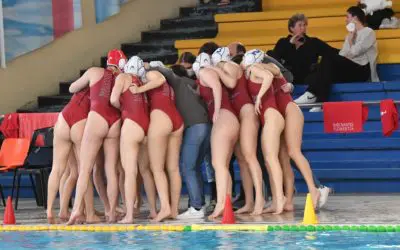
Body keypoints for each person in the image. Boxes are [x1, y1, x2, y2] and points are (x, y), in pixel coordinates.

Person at [67, 49, 126, 225]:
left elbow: (72, 88)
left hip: (97, 118)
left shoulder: (94, 71)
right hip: (115, 122)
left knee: (85, 168)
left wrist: (91, 86)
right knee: (111, 170)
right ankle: (111, 213)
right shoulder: (123, 78)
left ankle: (77, 210)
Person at [146, 61, 211, 219]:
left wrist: (148, 67)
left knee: (188, 167)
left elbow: (166, 73)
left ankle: (196, 207)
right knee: (194, 167)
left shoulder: (175, 81)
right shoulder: (187, 84)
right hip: (204, 125)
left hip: (194, 126)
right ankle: (197, 204)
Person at [128, 56, 184, 222]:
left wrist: (138, 90)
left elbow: (159, 79)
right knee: (172, 168)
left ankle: (166, 208)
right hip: (176, 121)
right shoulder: (165, 84)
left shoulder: (152, 74)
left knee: (157, 168)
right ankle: (173, 210)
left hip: (161, 118)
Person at [210, 47, 265, 215]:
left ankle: (260, 200)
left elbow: (232, 83)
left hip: (246, 110)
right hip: (237, 114)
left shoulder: (228, 65)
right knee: (241, 160)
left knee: (249, 156)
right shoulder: (224, 68)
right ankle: (248, 202)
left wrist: (215, 69)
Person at [295, 6, 378, 107]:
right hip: (350, 68)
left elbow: (355, 52)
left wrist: (351, 41)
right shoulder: (349, 36)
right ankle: (316, 99)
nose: (346, 20)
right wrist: (349, 43)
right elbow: (343, 54)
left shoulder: (368, 32)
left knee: (328, 58)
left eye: (347, 17)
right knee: (323, 65)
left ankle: (314, 97)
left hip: (362, 70)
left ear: (355, 18)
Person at [109, 56, 156, 223]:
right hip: (146, 126)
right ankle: (153, 211)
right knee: (146, 171)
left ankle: (129, 215)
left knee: (130, 172)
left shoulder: (122, 77)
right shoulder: (142, 84)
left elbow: (113, 99)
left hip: (131, 124)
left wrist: (122, 108)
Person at [193, 53, 240, 219]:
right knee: (223, 165)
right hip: (231, 119)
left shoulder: (206, 71)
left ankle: (220, 204)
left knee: (217, 164)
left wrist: (217, 110)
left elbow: (217, 88)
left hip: (224, 118)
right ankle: (226, 203)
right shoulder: (209, 74)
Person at [242, 49, 286, 214]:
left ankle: (280, 198)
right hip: (272, 118)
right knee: (269, 160)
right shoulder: (264, 68)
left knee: (271, 159)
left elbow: (268, 77)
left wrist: (259, 97)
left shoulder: (254, 67)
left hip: (272, 118)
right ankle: (276, 200)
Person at [46, 86, 100, 224]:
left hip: (64, 116)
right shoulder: (106, 87)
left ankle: (52, 210)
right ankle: (90, 214)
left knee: (58, 169)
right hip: (80, 120)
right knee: (84, 170)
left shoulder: (84, 84)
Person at [269, 14, 339, 85]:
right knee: (269, 54)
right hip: (288, 78)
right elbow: (275, 59)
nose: (303, 27)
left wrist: (349, 48)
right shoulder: (283, 42)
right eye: (300, 25)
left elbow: (332, 51)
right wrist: (290, 44)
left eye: (304, 25)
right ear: (292, 28)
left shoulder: (314, 42)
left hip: (308, 78)